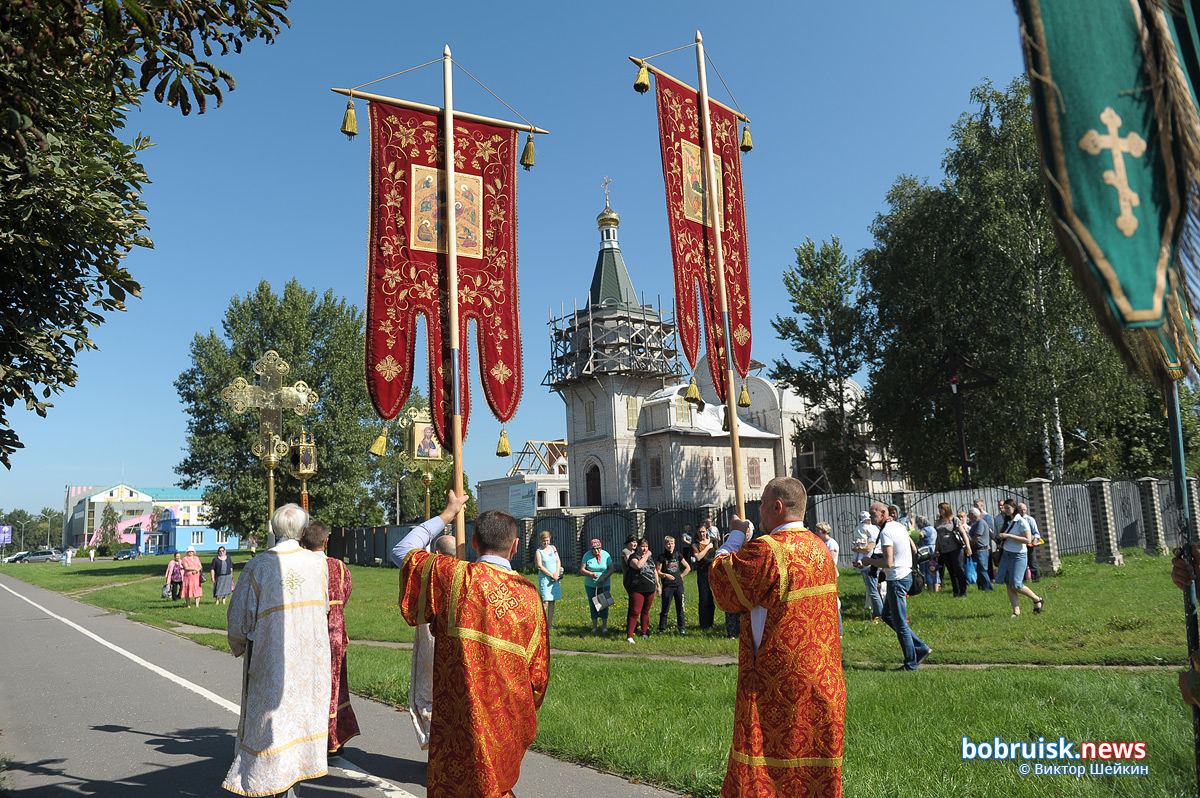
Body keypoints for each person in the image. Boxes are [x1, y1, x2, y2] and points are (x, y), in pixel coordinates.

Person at [391, 492, 549, 798]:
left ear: (473, 542)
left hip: (456, 715)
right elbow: (538, 675)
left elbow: (403, 550)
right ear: (515, 547)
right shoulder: (530, 596)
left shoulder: (453, 577)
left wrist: (448, 514)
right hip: (505, 718)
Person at [709, 477, 845, 797]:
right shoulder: (820, 548)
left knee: (769, 772)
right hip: (824, 682)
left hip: (778, 684)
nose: (759, 512)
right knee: (811, 774)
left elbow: (723, 583)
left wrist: (736, 535)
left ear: (777, 507)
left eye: (762, 505)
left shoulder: (770, 550)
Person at [223, 503, 331, 797]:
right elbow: (323, 608)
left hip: (272, 657)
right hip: (309, 659)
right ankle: (291, 781)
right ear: (304, 531)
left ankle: (269, 783)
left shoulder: (258, 565)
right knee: (298, 718)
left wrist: (239, 644)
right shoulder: (319, 563)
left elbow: (238, 618)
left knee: (271, 723)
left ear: (273, 530)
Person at [301, 520, 360, 757]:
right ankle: (333, 740)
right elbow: (345, 595)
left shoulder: (299, 566)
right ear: (326, 541)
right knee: (334, 686)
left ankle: (307, 739)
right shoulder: (338, 567)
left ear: (304, 541)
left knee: (306, 684)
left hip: (304, 634)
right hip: (334, 635)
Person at [863, 501, 932, 671]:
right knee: (887, 616)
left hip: (897, 580)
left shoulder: (886, 532)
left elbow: (887, 561)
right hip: (904, 575)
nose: (871, 518)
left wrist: (867, 561)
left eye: (874, 514)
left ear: (884, 512)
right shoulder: (899, 526)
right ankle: (920, 647)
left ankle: (911, 664)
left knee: (900, 624)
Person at [409, 533, 457, 750]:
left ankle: (437, 746)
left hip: (431, 637)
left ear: (437, 554)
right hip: (456, 644)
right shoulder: (467, 575)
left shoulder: (429, 573)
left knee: (428, 694)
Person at [995, 499, 1044, 618]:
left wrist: (1008, 535)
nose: (1005, 510)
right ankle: (1016, 611)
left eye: (1007, 508)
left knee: (1016, 584)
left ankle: (1037, 599)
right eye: (1004, 508)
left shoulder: (1021, 521)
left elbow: (1027, 540)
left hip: (1018, 555)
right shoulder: (1008, 521)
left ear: (1014, 508)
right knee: (1008, 583)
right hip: (1006, 554)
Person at [934, 503, 971, 598]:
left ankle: (963, 592)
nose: (940, 511)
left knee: (959, 569)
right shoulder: (938, 522)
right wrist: (936, 550)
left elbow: (963, 533)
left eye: (942, 509)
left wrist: (968, 547)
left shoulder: (954, 519)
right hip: (944, 549)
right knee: (951, 571)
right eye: (939, 509)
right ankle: (956, 592)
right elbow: (938, 537)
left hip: (955, 548)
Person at [852, 510, 884, 619]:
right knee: (872, 590)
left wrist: (855, 549)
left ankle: (880, 615)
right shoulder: (873, 528)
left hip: (869, 561)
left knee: (873, 590)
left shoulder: (869, 530)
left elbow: (868, 548)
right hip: (871, 559)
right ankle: (878, 613)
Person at [656, 535, 690, 634]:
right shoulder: (662, 557)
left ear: (674, 544)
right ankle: (662, 628)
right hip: (668, 586)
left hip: (678, 585)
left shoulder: (678, 555)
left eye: (672, 543)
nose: (670, 545)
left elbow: (688, 567)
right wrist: (665, 575)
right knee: (665, 607)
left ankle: (682, 628)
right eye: (668, 543)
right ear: (665, 545)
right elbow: (658, 571)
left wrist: (681, 576)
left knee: (680, 607)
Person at [626, 537, 658, 643]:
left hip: (650, 588)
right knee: (635, 611)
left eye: (646, 547)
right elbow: (639, 566)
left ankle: (644, 633)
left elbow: (654, 570)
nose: (644, 549)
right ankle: (630, 635)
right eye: (642, 546)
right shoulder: (633, 557)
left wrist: (658, 584)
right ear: (638, 547)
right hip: (637, 588)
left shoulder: (649, 559)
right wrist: (647, 555)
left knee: (646, 611)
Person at [814, 522, 842, 637]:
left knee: (834, 600)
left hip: (830, 574)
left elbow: (828, 559)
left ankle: (839, 630)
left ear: (824, 531)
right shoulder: (822, 543)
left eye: (818, 530)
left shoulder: (831, 544)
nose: (816, 532)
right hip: (822, 574)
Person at [580, 538, 614, 634]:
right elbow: (582, 569)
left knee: (604, 604)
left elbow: (611, 569)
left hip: (604, 584)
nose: (596, 550)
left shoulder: (606, 555)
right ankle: (594, 626)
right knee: (593, 604)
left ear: (601, 547)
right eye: (594, 549)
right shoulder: (587, 556)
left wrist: (604, 578)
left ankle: (604, 626)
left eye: (598, 548)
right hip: (591, 584)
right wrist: (591, 574)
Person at [535, 531, 563, 631]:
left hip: (555, 578)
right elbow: (539, 566)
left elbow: (558, 560)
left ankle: (550, 624)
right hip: (545, 580)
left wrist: (557, 573)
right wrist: (551, 575)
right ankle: (541, 624)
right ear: (540, 541)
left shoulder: (553, 548)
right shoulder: (539, 551)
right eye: (543, 541)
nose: (545, 543)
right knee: (545, 602)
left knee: (552, 601)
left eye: (547, 540)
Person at [692, 523, 717, 629]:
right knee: (704, 599)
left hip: (713, 572)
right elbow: (698, 557)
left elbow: (717, 553)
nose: (702, 534)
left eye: (703, 531)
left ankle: (711, 623)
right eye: (699, 532)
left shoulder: (713, 540)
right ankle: (704, 624)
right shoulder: (695, 544)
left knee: (712, 599)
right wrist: (707, 548)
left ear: (707, 531)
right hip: (702, 573)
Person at [967, 508, 994, 592]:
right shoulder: (975, 524)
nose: (968, 516)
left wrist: (969, 546)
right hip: (977, 550)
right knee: (979, 570)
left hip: (981, 550)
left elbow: (977, 537)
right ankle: (982, 587)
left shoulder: (980, 523)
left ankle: (988, 588)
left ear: (973, 515)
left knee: (982, 569)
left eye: (969, 514)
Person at [1018, 503, 1043, 582]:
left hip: (1030, 543)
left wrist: (1035, 541)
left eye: (1024, 510)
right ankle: (1025, 579)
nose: (1023, 511)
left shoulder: (1030, 519)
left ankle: (1036, 579)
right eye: (1021, 510)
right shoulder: (1016, 520)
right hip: (1020, 544)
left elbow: (1036, 533)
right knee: (1022, 563)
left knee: (1032, 562)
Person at [916, 516, 940, 593]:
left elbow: (920, 535)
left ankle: (930, 589)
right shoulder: (932, 529)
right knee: (934, 569)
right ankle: (936, 588)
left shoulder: (924, 530)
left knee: (927, 569)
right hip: (933, 549)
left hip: (926, 551)